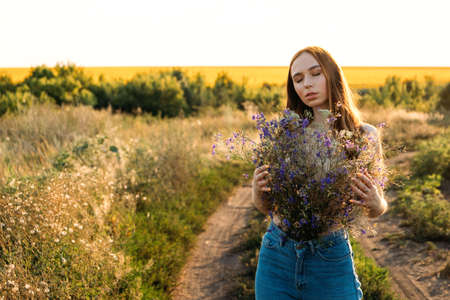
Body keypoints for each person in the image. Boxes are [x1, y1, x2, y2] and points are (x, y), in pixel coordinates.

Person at [253, 46, 388, 300]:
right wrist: (257, 191)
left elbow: (377, 208)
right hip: (277, 255)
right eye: (298, 79)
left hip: (330, 258)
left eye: (315, 74)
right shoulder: (285, 134)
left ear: (332, 75)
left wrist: (375, 201)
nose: (307, 84)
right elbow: (264, 207)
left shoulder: (364, 136)